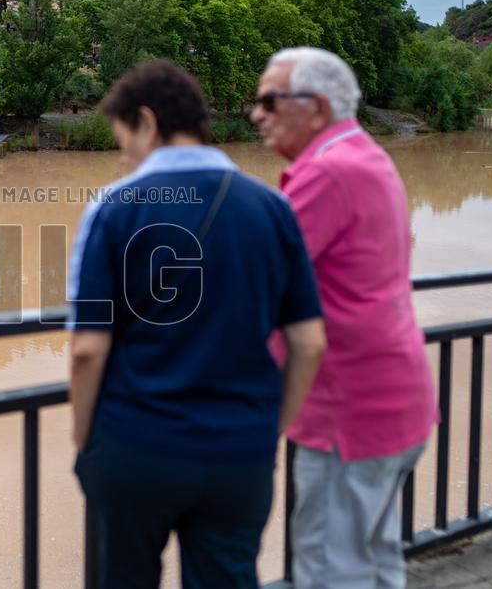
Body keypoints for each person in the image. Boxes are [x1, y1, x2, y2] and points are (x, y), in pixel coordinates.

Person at [68, 59, 326, 589]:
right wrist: (267, 428)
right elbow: (308, 341)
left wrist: (84, 441)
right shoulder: (274, 208)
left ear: (147, 121)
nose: (125, 156)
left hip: (136, 446)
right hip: (239, 452)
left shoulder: (115, 208)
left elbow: (88, 348)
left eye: (125, 139)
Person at [251, 47, 437, 589]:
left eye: (268, 100)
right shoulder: (366, 156)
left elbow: (259, 283)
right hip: (393, 401)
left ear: (316, 107)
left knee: (332, 572)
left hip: (348, 414)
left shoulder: (328, 172)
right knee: (375, 563)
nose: (256, 113)